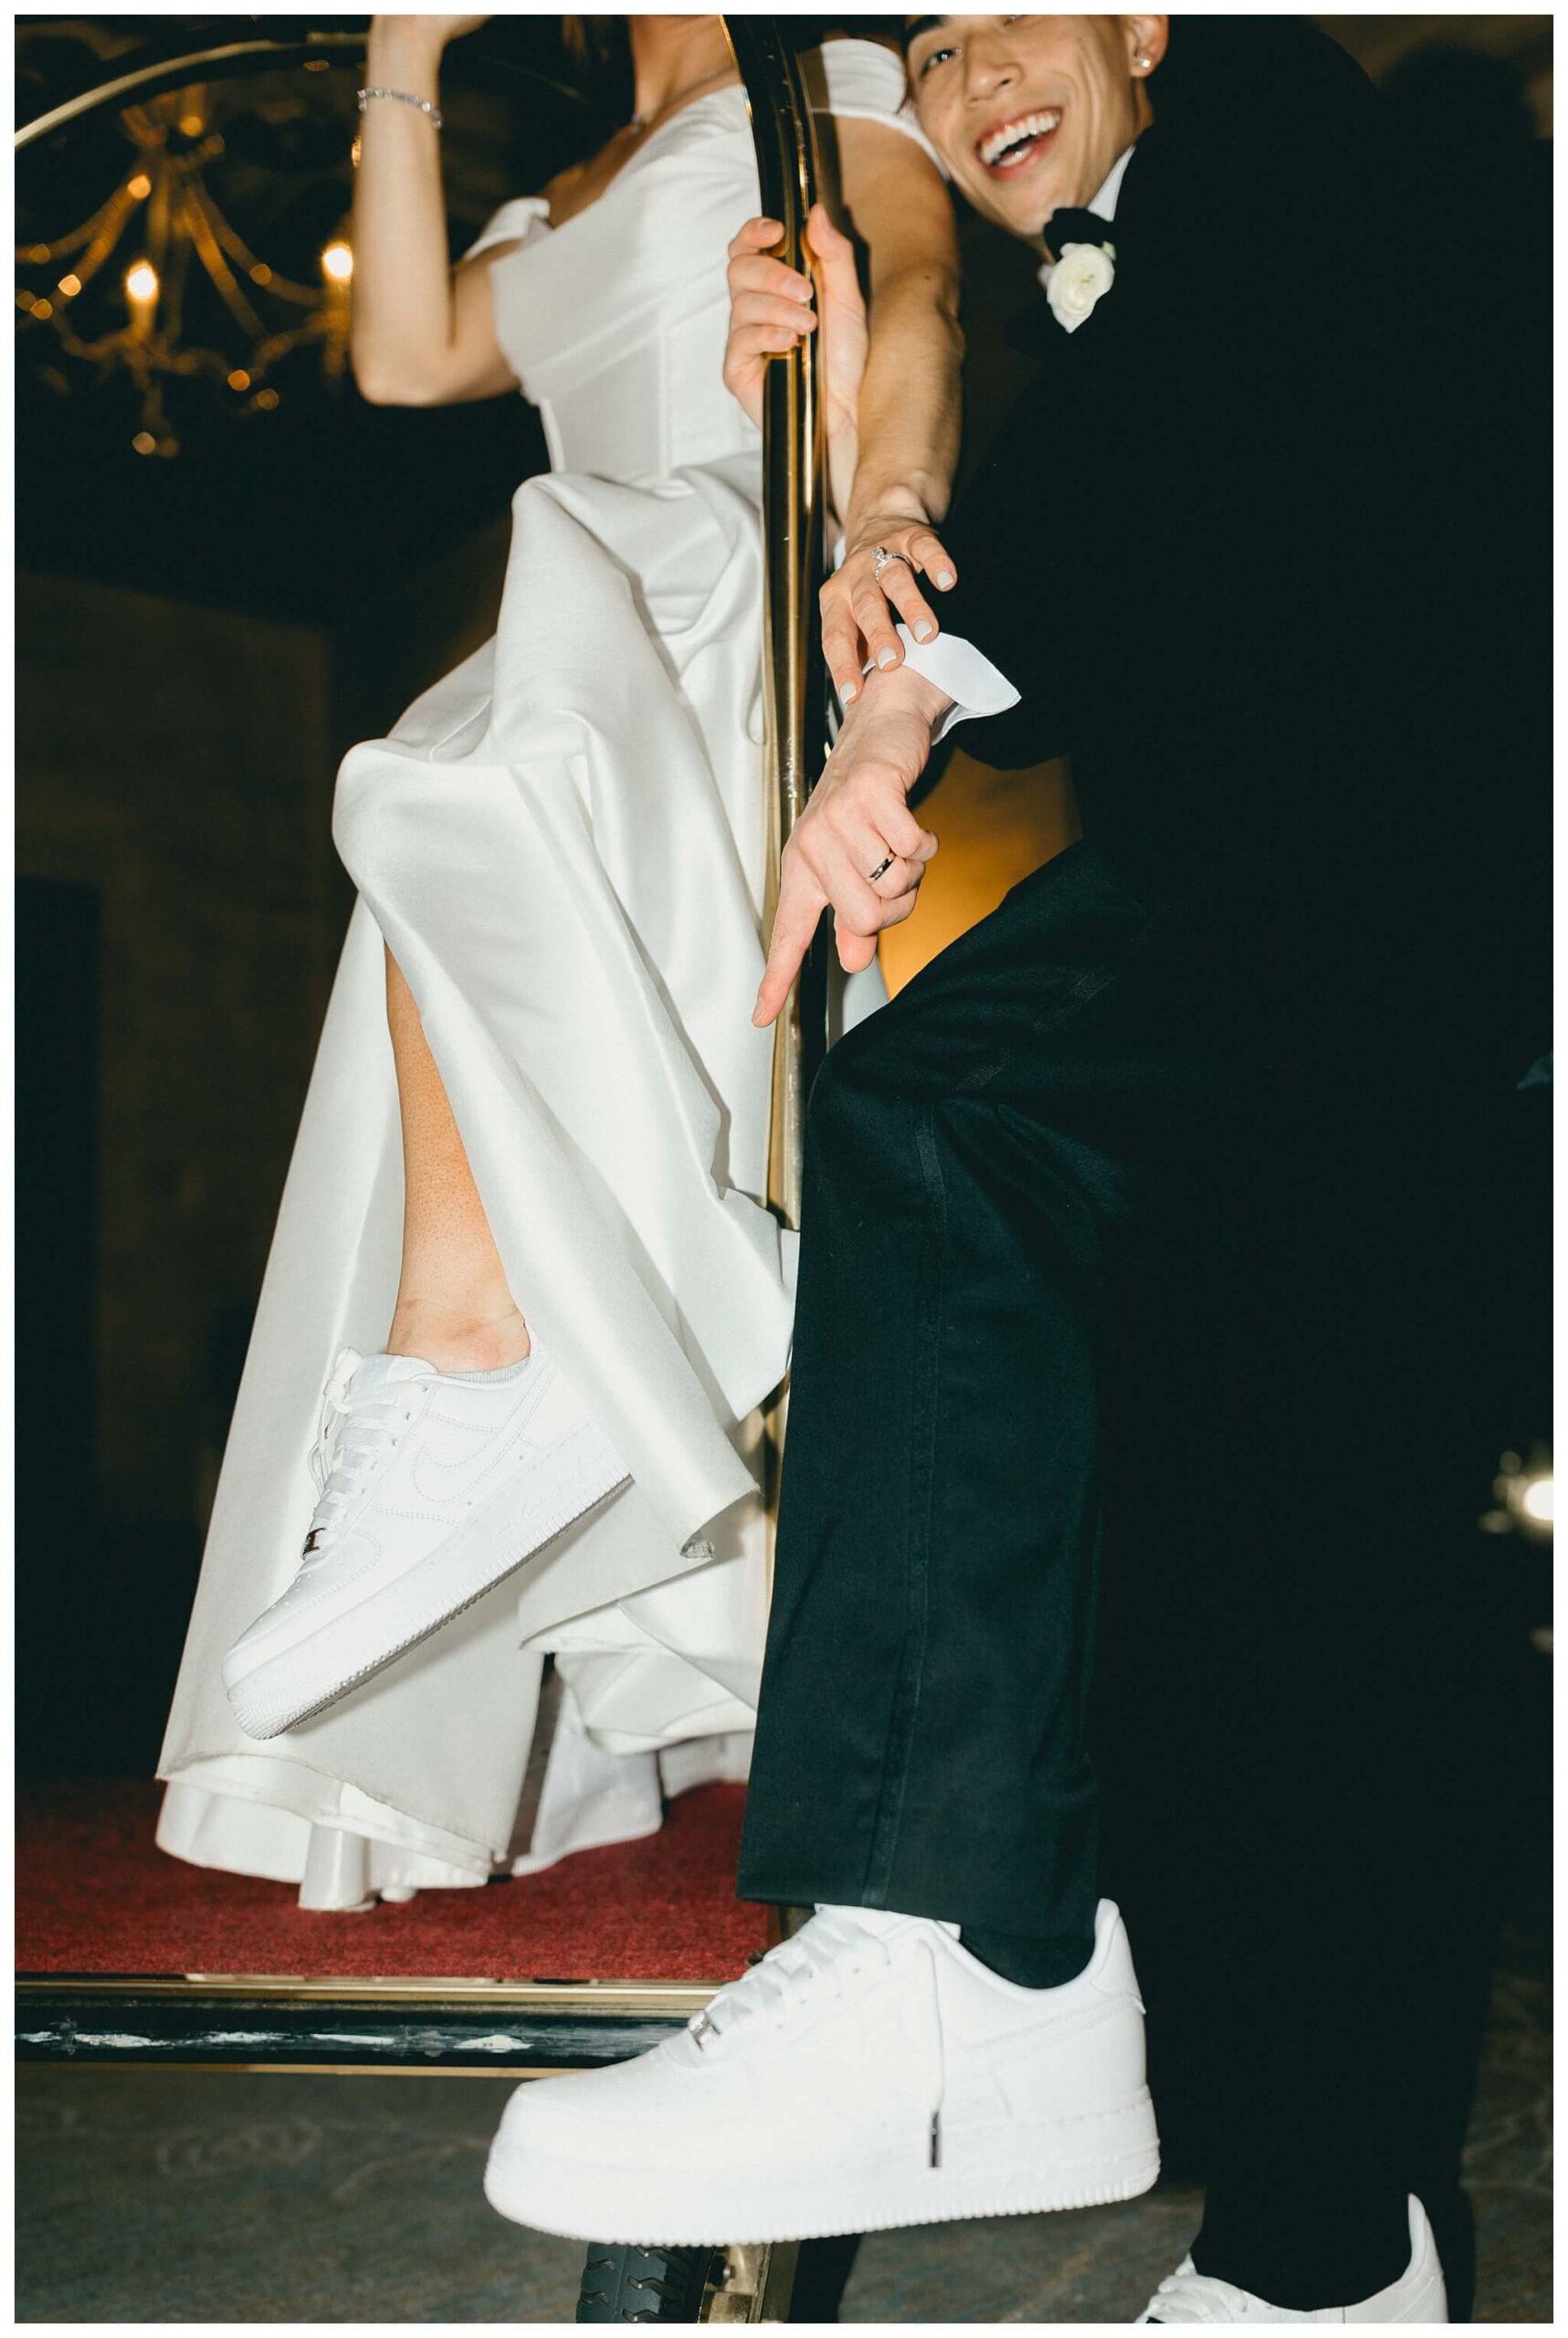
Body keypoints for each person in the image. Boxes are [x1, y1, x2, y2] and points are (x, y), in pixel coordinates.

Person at [483, 15, 1546, 2322]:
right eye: (926, 57)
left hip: (1433, 919)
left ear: (1151, 19)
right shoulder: (1135, 300)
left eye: (1001, 16)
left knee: (949, 1102)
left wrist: (912, 683)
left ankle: (974, 1953)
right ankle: (1318, 2253)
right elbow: (1153, 512)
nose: (965, 83)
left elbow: (1239, 413)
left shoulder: (1338, 139)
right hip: (1330, 1003)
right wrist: (892, 568)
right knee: (1269, 1619)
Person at [156, 14, 962, 1911]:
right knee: (449, 821)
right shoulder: (570, 190)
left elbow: (916, 305)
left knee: (453, 773)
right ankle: (483, 1399)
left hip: (715, 573)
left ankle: (472, 1355)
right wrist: (405, 48)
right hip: (585, 607)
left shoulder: (822, 88)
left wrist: (887, 513)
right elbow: (406, 351)